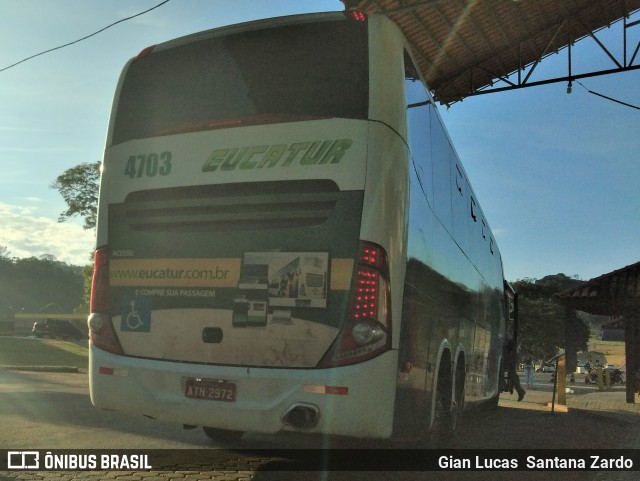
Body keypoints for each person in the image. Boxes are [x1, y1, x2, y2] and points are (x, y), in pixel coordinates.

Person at [504, 333, 526, 401]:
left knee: (512, 374)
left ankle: (515, 389)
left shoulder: (505, 336)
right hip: (512, 356)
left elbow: (510, 348)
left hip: (513, 356)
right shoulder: (506, 335)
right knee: (511, 373)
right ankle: (510, 387)